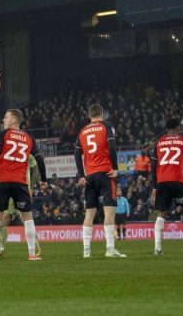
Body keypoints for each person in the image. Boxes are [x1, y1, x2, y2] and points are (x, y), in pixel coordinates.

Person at [0, 109, 46, 261]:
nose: (3, 120)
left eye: (6, 117)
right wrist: (44, 179)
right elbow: (39, 159)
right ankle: (32, 254)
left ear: (14, 121)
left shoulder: (4, 134)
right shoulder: (28, 137)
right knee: (28, 218)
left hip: (2, 181)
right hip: (20, 183)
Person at [75, 103, 125, 258]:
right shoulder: (106, 126)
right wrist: (115, 167)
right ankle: (110, 250)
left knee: (89, 214)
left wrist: (81, 175)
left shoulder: (82, 131)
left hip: (89, 176)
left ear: (89, 115)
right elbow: (112, 145)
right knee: (109, 212)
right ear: (102, 114)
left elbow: (77, 154)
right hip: (105, 173)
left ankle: (86, 251)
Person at [150, 118, 183, 255]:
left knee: (161, 213)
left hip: (161, 182)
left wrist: (154, 186)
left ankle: (157, 249)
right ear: (177, 128)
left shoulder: (158, 142)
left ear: (166, 129)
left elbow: (153, 167)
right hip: (177, 180)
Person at [0, 151, 46, 257]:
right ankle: (1, 248)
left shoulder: (25, 152)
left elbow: (36, 168)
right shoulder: (6, 153)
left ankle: (35, 245)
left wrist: (31, 187)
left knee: (25, 219)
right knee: (3, 219)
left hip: (22, 190)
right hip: (9, 191)